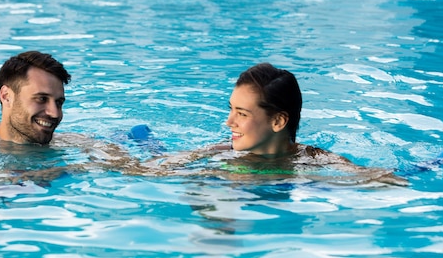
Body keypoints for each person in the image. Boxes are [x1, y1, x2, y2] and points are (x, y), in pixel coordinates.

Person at [142, 63, 405, 185]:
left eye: (242, 114)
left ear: (278, 121)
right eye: (231, 110)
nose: (228, 122)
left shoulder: (315, 159)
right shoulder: (217, 155)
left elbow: (379, 179)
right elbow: (151, 170)